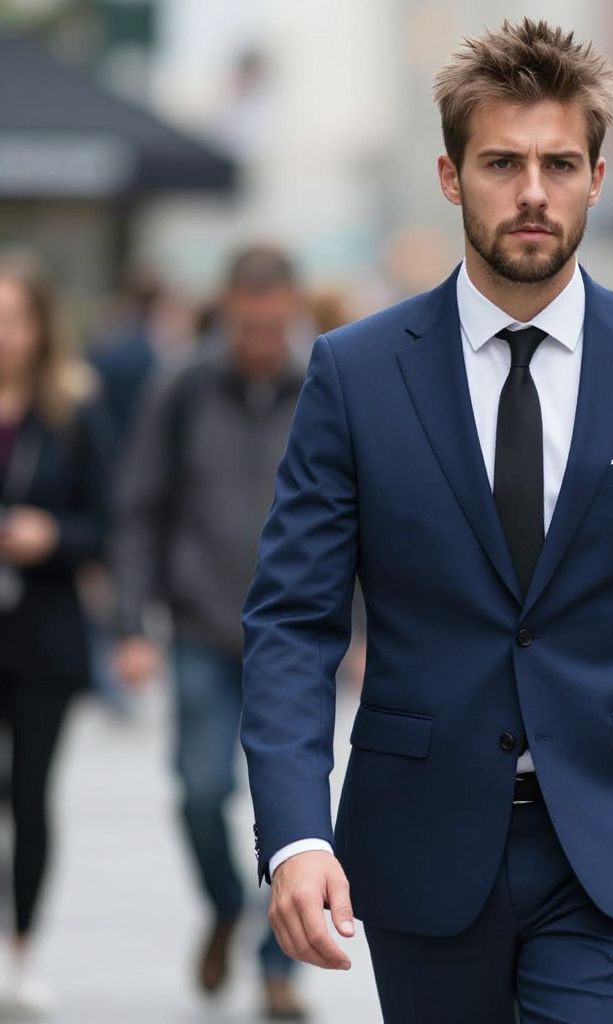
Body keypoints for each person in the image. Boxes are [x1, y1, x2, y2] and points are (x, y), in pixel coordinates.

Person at [241, 19, 613, 1024]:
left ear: (595, 177)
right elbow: (294, 621)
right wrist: (296, 835)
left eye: (558, 163)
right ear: (451, 177)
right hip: (420, 848)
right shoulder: (357, 375)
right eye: (502, 163)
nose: (532, 191)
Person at [111, 245, 309, 1021]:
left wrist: (363, 627)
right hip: (200, 627)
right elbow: (139, 508)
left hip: (295, 639)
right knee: (200, 791)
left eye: (274, 325)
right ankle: (227, 904)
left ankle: (276, 966)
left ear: (292, 313)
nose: (261, 341)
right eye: (247, 325)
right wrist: (131, 624)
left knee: (290, 811)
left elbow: (365, 515)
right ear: (226, 313)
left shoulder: (322, 385)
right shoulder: (184, 390)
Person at [0, 251, 111, 1015]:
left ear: (42, 328)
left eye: (16, 318)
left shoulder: (73, 413)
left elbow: (106, 524)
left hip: (41, 633)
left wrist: (53, 536)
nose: (4, 334)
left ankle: (25, 944)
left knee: (31, 793)